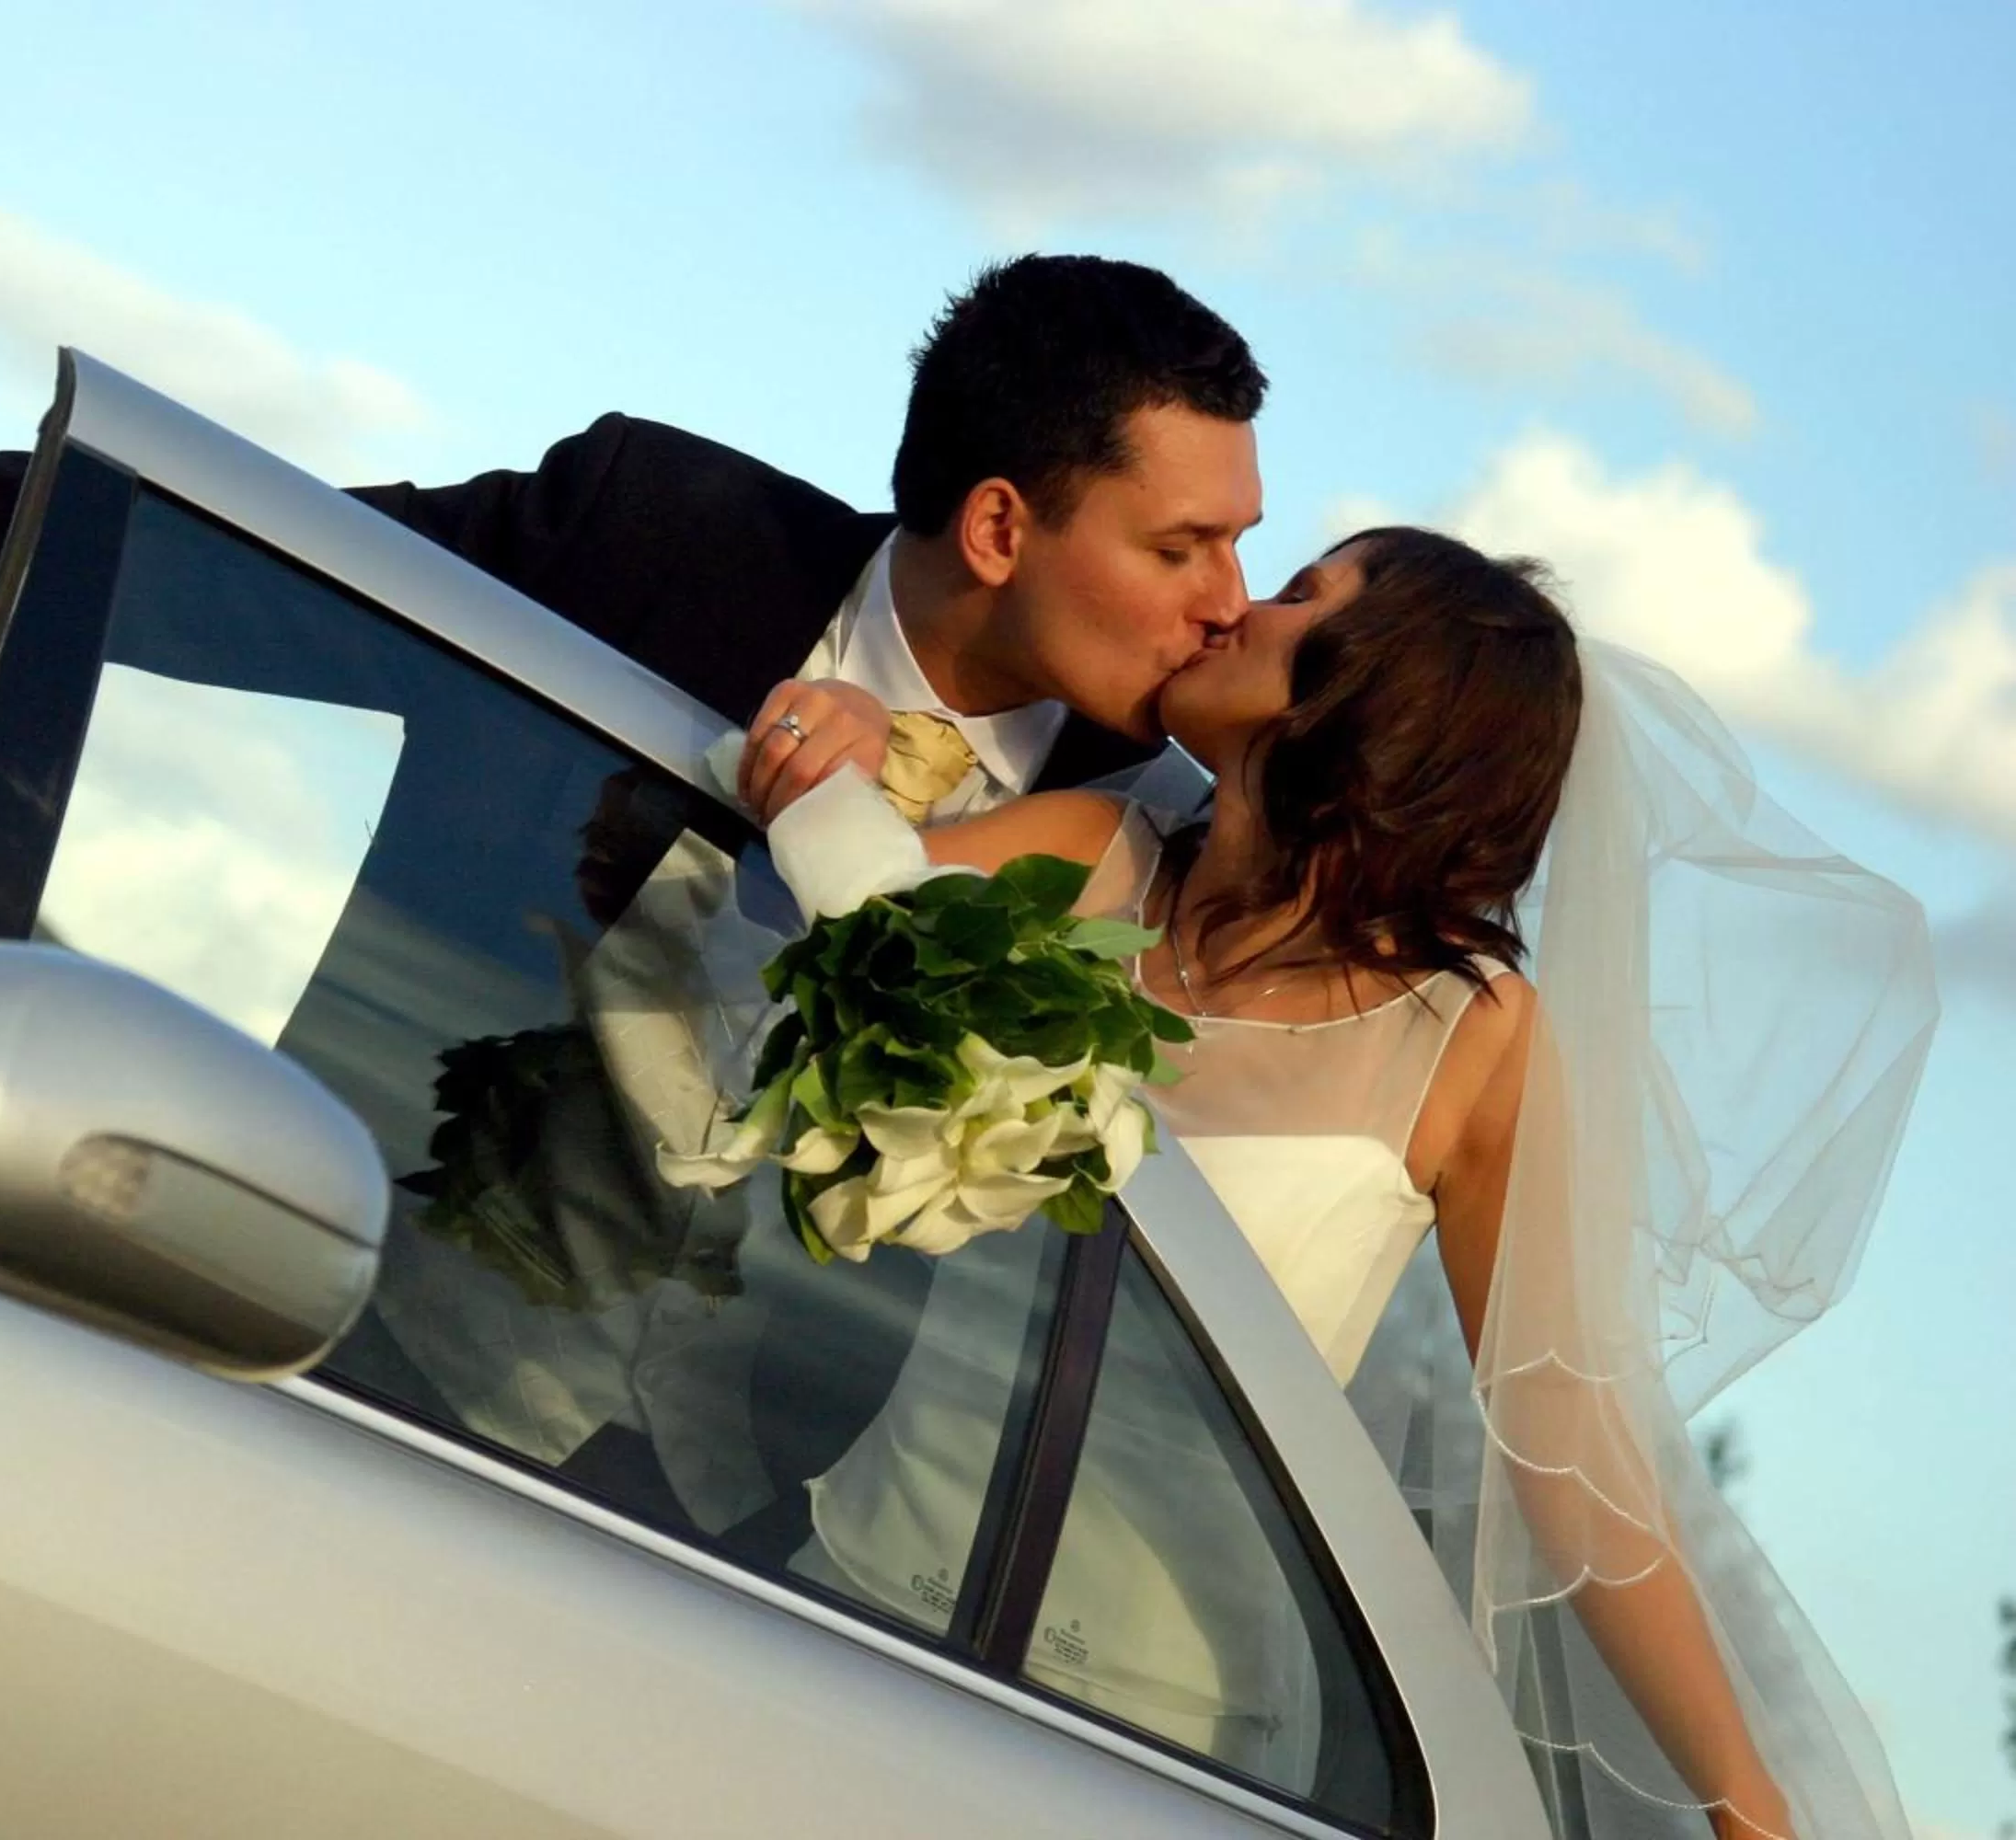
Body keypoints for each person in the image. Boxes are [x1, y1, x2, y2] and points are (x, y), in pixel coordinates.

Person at [749, 527, 1933, 1840]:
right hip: (849, 1616)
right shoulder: (1086, 861)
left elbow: (1573, 1450)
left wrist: (1744, 1801)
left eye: (1300, 596)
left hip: (1163, 1748)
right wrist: (838, 748)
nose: (1235, 609)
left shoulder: (1471, 1041)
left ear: (1383, 695)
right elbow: (833, 937)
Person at [0, 253, 1266, 811]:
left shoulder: (1157, 832)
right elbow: (198, 570)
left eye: (1240, 544)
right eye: (1180, 546)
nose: (1229, 599)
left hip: (794, 1456)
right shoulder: (650, 538)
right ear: (1002, 528)